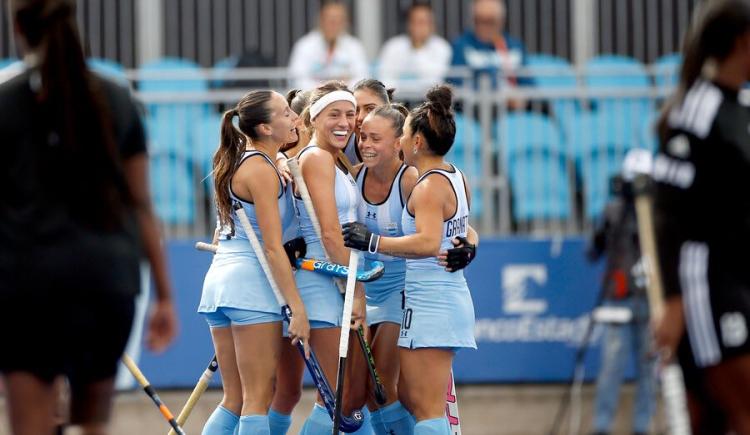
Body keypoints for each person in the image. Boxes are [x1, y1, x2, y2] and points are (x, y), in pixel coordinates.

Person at [0, 1, 178, 434]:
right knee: (90, 426)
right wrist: (165, 295)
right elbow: (141, 204)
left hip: (29, 286)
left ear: (19, 29)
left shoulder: (6, 101)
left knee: (33, 426)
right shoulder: (117, 98)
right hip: (107, 282)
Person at [344, 85, 478, 435]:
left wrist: (373, 241)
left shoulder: (427, 186)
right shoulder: (455, 176)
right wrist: (471, 243)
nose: (400, 140)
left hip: (432, 301)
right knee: (408, 395)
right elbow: (458, 230)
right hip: (435, 299)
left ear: (416, 142)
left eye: (402, 133)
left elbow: (429, 242)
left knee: (425, 404)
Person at [653, 1, 750, 434]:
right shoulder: (697, 109)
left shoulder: (743, 106)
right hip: (708, 284)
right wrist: (673, 302)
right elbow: (669, 211)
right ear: (743, 42)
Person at [198, 91, 311, 435]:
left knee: (234, 399)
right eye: (285, 113)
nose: (294, 118)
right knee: (257, 399)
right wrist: (298, 307)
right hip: (250, 287)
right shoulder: (261, 170)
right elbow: (273, 248)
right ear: (264, 127)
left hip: (220, 283)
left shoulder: (240, 161)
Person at [273, 81, 370, 435]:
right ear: (313, 118)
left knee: (347, 400)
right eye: (334, 114)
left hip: (337, 277)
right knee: (338, 400)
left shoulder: (333, 158)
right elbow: (330, 234)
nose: (344, 122)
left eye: (349, 113)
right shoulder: (316, 158)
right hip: (323, 279)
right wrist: (357, 289)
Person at [587, 150, 656, 435]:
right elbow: (592, 251)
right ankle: (602, 428)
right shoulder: (612, 211)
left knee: (650, 373)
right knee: (611, 369)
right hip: (619, 298)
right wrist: (607, 225)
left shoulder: (658, 212)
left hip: (652, 301)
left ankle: (643, 427)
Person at [449, 0, 532, 109]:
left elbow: (529, 86)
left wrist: (520, 98)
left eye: (490, 21)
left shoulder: (515, 47)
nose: (484, 26)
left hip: (510, 111)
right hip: (473, 110)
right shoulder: (461, 45)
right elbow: (455, 83)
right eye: (479, 20)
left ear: (501, 21)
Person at [288, 0, 369, 90]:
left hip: (347, 98)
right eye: (330, 20)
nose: (333, 25)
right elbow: (297, 79)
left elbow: (362, 78)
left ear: (345, 23)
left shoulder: (354, 47)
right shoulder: (305, 46)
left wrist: (341, 89)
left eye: (338, 20)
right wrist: (323, 89)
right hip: (312, 100)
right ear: (320, 20)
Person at [377, 2, 452, 95]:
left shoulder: (442, 47)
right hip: (397, 102)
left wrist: (418, 47)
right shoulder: (393, 46)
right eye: (414, 22)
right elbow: (384, 79)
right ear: (408, 24)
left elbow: (434, 81)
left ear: (432, 25)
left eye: (422, 22)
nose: (418, 27)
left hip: (429, 103)